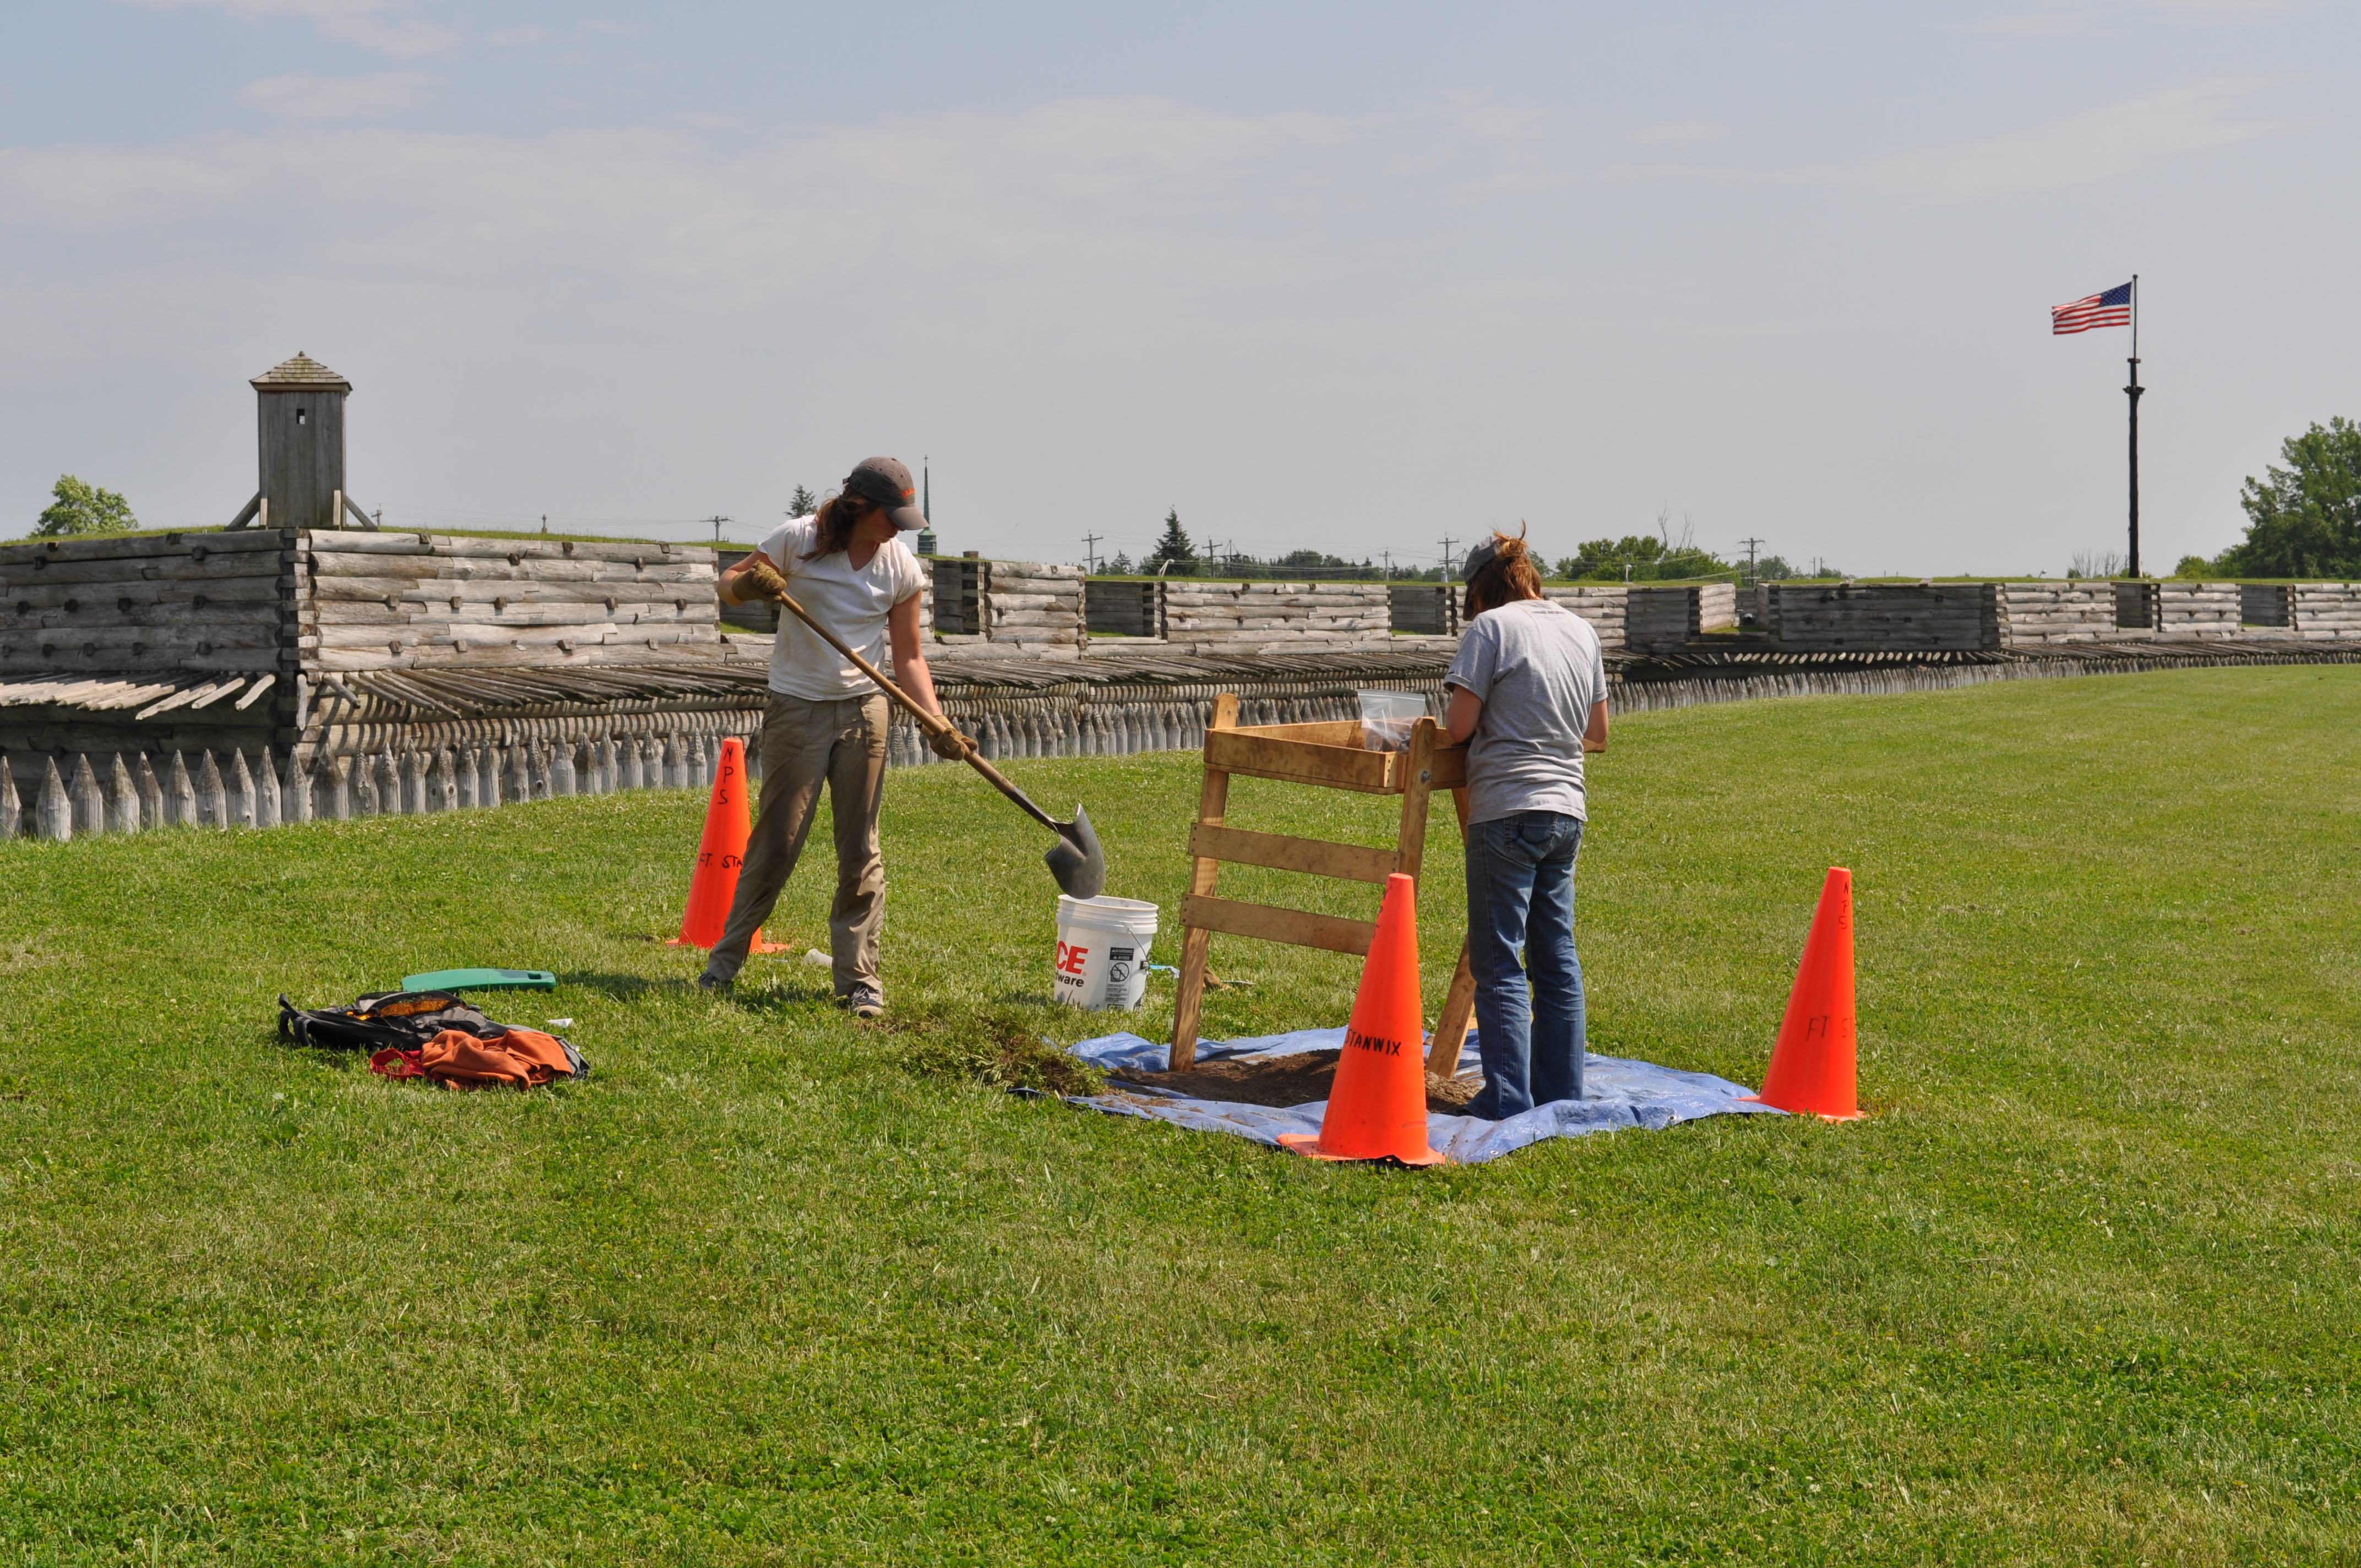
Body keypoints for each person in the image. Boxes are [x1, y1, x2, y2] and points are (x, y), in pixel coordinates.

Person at [699, 456, 970, 1015]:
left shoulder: (899, 568)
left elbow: (909, 656)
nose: (900, 526)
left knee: (860, 848)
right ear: (859, 507)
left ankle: (860, 982)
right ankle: (722, 965)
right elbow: (726, 588)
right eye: (891, 515)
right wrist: (750, 583)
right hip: (796, 707)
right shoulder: (799, 539)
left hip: (864, 712)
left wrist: (935, 720)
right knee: (777, 842)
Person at [1442, 529, 1608, 1118]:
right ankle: (1562, 1094)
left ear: (1483, 590)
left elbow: (1459, 727)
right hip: (1566, 811)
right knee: (1556, 958)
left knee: (1500, 961)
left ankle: (1508, 1098)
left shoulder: (1490, 629)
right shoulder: (1580, 630)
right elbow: (1598, 734)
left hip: (1506, 808)